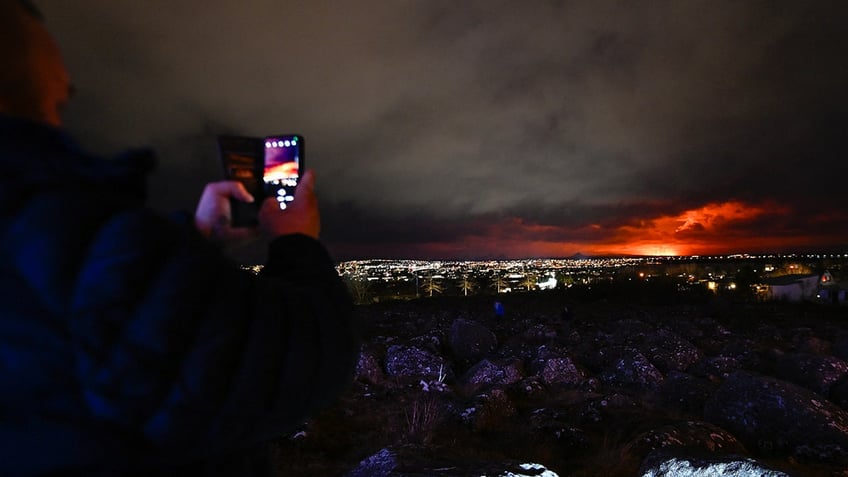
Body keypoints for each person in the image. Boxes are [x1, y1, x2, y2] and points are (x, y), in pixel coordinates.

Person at [0, 1, 359, 475]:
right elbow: (298, 361)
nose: (65, 94)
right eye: (54, 101)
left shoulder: (43, 222)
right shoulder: (51, 210)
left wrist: (193, 240)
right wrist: (296, 241)